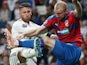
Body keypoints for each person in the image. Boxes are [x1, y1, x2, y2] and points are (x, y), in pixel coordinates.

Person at [5, 0, 84, 65]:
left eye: (59, 13)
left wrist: (76, 3)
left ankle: (19, 44)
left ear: (66, 11)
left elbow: (79, 12)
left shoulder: (72, 16)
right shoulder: (53, 18)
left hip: (73, 49)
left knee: (45, 40)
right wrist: (23, 34)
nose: (57, 15)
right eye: (55, 13)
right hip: (62, 55)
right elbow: (38, 30)